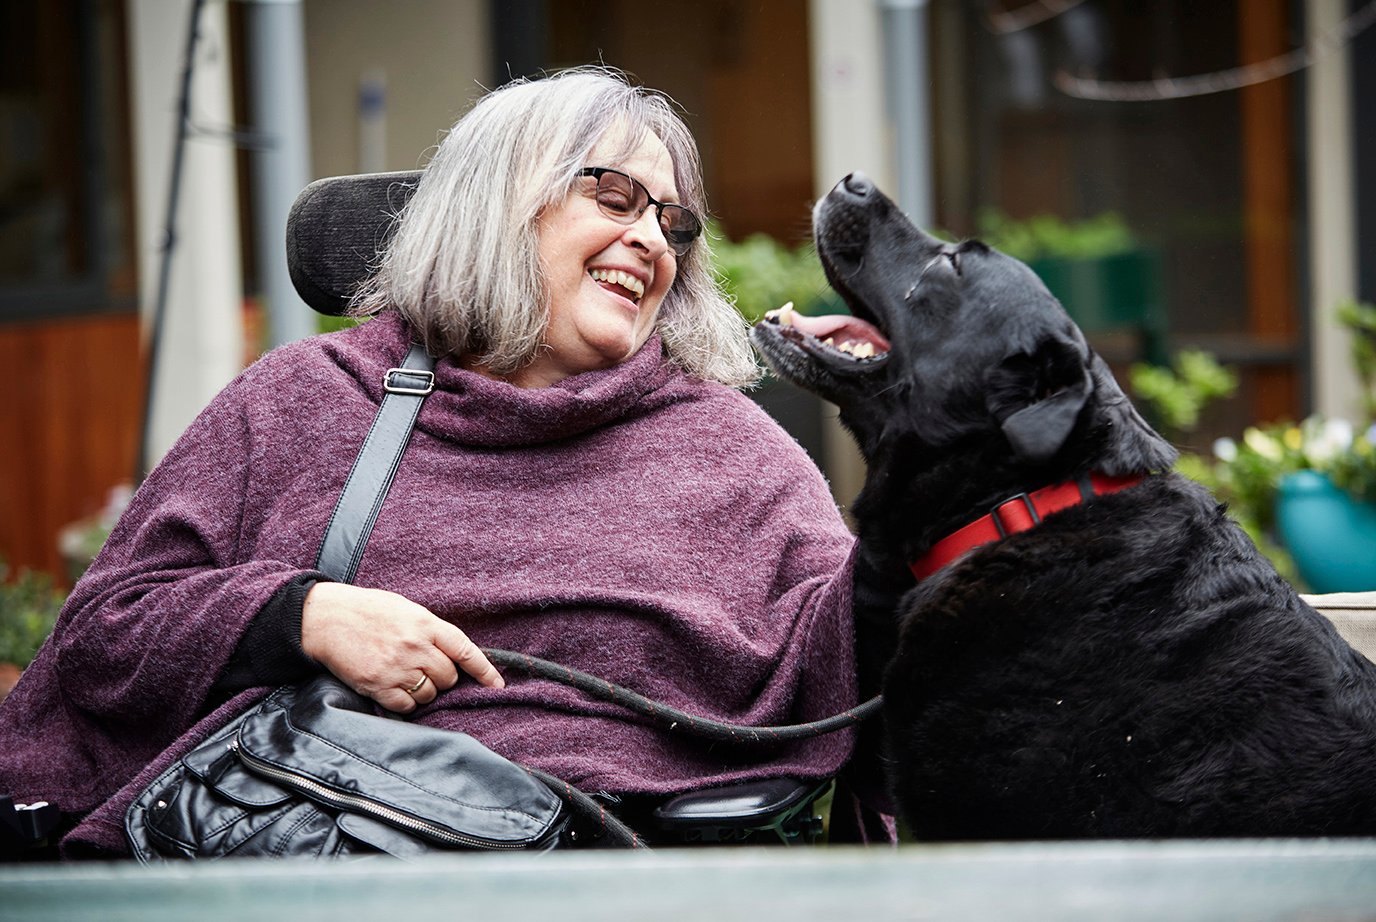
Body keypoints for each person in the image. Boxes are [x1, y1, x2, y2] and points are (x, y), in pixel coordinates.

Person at [0, 67, 881, 857]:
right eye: (614, 197)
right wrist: (301, 619)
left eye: (672, 220)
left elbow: (856, 652)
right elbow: (105, 635)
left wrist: (936, 480)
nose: (653, 239)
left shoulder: (734, 452)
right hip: (320, 861)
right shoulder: (301, 401)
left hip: (613, 879)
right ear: (498, 201)